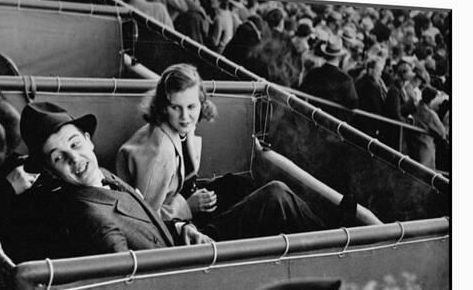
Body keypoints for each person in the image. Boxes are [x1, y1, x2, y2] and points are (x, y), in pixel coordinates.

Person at [116, 64, 324, 241]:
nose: (185, 116)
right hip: (186, 237)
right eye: (176, 108)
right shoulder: (160, 152)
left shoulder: (177, 126)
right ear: (163, 106)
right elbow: (144, 222)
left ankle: (321, 229)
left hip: (185, 205)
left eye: (191, 106)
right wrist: (187, 206)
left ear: (201, 103)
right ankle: (328, 239)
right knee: (275, 195)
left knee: (237, 185)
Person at [18, 101, 211, 258]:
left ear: (88, 140)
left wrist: (180, 228)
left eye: (75, 144)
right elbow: (134, 287)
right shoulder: (95, 223)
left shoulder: (102, 175)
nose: (74, 159)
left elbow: (144, 225)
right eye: (58, 158)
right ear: (51, 170)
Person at [299, 35, 359, 110]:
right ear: (340, 57)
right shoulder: (346, 80)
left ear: (325, 54)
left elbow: (301, 92)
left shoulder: (313, 73)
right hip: (331, 119)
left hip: (312, 115)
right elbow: (353, 104)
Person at [408, 86, 447, 169]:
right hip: (425, 147)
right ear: (432, 99)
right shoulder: (430, 114)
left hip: (414, 143)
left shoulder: (417, 106)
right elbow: (442, 132)